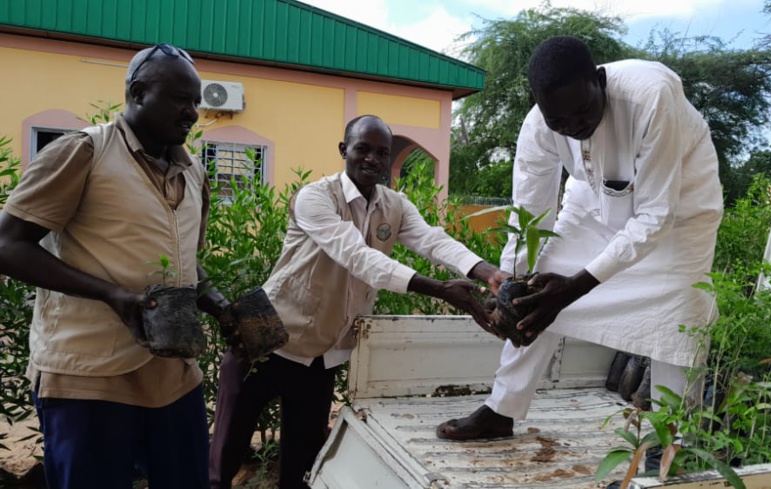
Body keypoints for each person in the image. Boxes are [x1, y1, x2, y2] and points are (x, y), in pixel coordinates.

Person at [435, 36, 724, 445]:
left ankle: (675, 440)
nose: (573, 127)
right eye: (560, 121)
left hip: (680, 212)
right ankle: (501, 410)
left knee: (679, 317)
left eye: (583, 112)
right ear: (539, 106)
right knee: (533, 292)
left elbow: (656, 214)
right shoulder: (538, 126)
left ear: (599, 80)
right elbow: (529, 213)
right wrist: (511, 284)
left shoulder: (651, 97)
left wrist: (575, 287)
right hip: (593, 203)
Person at [208, 114, 507, 489]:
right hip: (265, 333)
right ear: (343, 150)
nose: (372, 159)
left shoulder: (394, 206)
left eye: (382, 153)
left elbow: (432, 241)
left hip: (320, 353)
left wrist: (488, 272)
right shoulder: (315, 197)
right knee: (224, 458)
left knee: (303, 465)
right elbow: (357, 257)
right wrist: (440, 289)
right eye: (363, 149)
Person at [0, 44, 230, 488]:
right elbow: (8, 244)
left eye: (195, 101)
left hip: (172, 373)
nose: (192, 112)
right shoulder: (84, 152)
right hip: (89, 374)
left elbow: (183, 257)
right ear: (138, 93)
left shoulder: (192, 171)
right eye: (179, 99)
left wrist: (215, 302)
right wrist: (112, 295)